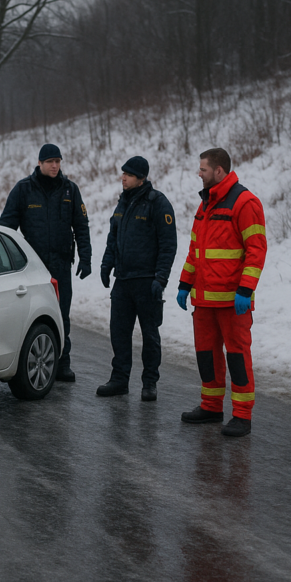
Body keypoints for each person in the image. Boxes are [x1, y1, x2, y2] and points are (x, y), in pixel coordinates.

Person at [177, 148, 267, 437]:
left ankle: (242, 415)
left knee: (237, 356)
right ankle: (211, 406)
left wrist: (245, 289)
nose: (198, 174)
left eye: (202, 169)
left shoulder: (245, 202)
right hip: (204, 301)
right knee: (206, 355)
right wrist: (183, 284)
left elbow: (256, 250)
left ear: (219, 171)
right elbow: (195, 252)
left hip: (232, 302)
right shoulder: (205, 205)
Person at [0, 143, 92, 381]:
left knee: (62, 313)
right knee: (35, 313)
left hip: (61, 264)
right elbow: (6, 228)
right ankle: (30, 359)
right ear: (39, 163)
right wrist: (6, 260)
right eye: (50, 161)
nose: (54, 165)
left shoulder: (70, 190)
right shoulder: (23, 190)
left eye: (58, 161)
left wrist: (86, 257)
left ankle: (62, 362)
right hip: (33, 267)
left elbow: (81, 226)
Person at [96, 156, 177, 400]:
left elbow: (168, 245)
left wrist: (161, 278)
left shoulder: (158, 203)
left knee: (150, 335)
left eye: (129, 175)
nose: (123, 178)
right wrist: (106, 264)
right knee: (119, 333)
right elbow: (113, 237)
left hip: (147, 282)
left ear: (141, 178)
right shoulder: (122, 202)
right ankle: (119, 379)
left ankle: (149, 383)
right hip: (123, 281)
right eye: (123, 174)